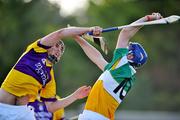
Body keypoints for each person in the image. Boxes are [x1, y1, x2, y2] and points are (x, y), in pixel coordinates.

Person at [0, 26, 101, 119]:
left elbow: (50, 106)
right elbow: (61, 33)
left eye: (61, 50)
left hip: (21, 113)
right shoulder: (36, 50)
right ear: (49, 46)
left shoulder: (50, 78)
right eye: (57, 46)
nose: (59, 51)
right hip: (2, 106)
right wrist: (89, 29)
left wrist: (75, 96)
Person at [74, 13, 162, 120]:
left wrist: (148, 18)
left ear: (129, 56)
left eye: (127, 49)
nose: (125, 49)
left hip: (93, 117)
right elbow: (97, 58)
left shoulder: (122, 65)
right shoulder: (121, 72)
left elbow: (125, 33)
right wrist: (77, 37)